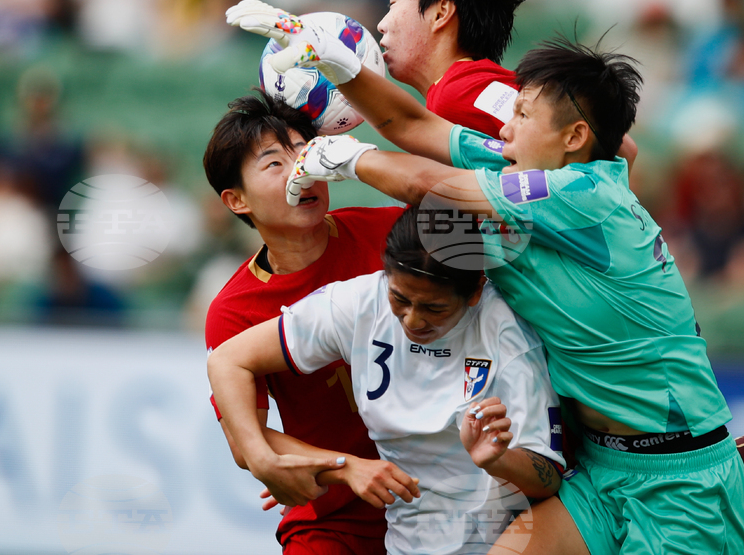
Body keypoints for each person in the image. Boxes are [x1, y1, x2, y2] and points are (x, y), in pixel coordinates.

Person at [271, 29, 744, 554]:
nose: (504, 125)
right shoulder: (528, 170)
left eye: (522, 113)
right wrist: (334, 60)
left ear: (575, 136)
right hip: (602, 468)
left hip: (678, 478)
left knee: (722, 486)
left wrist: (346, 158)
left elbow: (434, 183)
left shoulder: (587, 197)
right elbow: (413, 127)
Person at [208, 206, 566, 555]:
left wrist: (496, 460)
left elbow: (548, 477)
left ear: (475, 292)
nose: (412, 320)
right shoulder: (359, 302)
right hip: (404, 541)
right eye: (400, 299)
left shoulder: (507, 334)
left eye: (434, 308)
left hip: (497, 542)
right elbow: (227, 360)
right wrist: (264, 462)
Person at [203, 89, 401, 554]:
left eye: (305, 153)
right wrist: (346, 466)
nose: (300, 170)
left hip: (446, 493)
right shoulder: (233, 310)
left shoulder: (394, 231)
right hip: (333, 515)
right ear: (236, 201)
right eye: (274, 163)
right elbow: (245, 439)